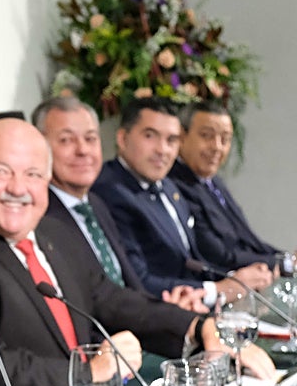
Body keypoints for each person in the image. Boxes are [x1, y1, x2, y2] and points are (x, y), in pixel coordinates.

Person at [0, 118, 274, 386]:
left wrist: (198, 326)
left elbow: (110, 299)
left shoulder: (51, 227)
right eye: (1, 171)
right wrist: (85, 371)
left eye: (33, 174)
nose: (18, 188)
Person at [90, 97, 272, 307]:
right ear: (122, 139)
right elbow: (137, 281)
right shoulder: (109, 191)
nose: (162, 150)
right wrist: (220, 289)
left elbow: (192, 262)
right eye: (150, 136)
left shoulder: (167, 186)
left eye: (171, 140)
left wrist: (235, 279)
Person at [31, 96, 207, 311]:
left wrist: (169, 309)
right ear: (38, 147)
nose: (83, 150)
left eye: (90, 138)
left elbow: (130, 287)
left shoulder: (95, 204)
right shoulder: (38, 216)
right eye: (66, 140)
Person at [171, 100, 288, 273]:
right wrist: (282, 264)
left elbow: (248, 240)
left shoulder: (214, 181)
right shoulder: (175, 185)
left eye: (225, 139)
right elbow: (219, 256)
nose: (217, 147)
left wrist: (284, 258)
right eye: (206, 135)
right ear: (181, 136)